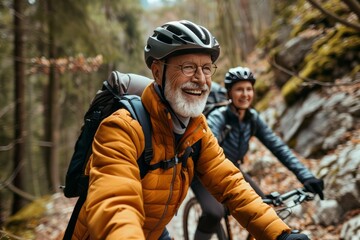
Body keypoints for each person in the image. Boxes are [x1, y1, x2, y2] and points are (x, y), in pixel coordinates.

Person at [70, 20, 311, 240]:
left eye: (207, 68)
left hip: (153, 230)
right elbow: (116, 205)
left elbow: (230, 183)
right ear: (157, 71)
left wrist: (280, 234)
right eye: (188, 67)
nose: (201, 79)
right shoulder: (121, 128)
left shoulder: (197, 129)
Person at [191, 66, 325, 239]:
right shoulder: (218, 117)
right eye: (239, 89)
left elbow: (279, 147)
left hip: (233, 171)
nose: (245, 94)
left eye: (249, 89)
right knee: (213, 213)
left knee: (265, 211)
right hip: (204, 172)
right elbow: (206, 151)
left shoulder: (252, 118)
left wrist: (306, 176)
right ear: (229, 93)